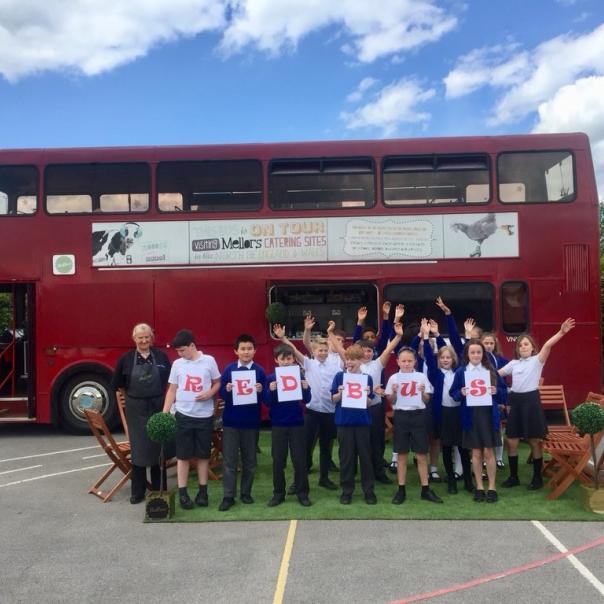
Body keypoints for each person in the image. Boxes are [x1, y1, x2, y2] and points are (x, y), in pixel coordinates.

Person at [498, 319, 576, 490]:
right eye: (520, 346)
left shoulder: (537, 360)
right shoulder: (513, 364)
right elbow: (496, 374)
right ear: (517, 350)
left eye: (526, 344)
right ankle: (513, 477)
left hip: (531, 402)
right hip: (515, 402)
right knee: (511, 441)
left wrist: (561, 332)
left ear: (532, 347)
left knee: (534, 441)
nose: (523, 347)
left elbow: (548, 345)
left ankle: (537, 478)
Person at [331, 320, 404, 485]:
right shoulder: (351, 365)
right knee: (355, 446)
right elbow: (340, 349)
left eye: (370, 351)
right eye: (364, 351)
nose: (366, 354)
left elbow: (389, 349)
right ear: (357, 353)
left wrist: (398, 336)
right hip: (354, 411)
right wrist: (330, 334)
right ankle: (353, 474)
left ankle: (378, 472)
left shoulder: (377, 365)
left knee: (376, 442)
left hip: (374, 407)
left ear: (373, 352)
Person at [112, 323, 172, 504]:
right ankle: (137, 492)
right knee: (138, 449)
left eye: (147, 337)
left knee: (157, 447)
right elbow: (118, 384)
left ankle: (159, 489)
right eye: (140, 337)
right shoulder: (125, 359)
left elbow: (170, 382)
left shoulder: (161, 357)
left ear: (151, 338)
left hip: (157, 405)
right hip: (136, 409)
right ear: (134, 339)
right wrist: (131, 398)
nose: (144, 340)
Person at [162, 329, 220, 510]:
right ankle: (183, 493)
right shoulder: (178, 364)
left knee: (203, 455)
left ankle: (203, 492)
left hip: (204, 415)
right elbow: (172, 389)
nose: (180, 354)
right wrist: (164, 413)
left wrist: (209, 393)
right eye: (178, 351)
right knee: (183, 455)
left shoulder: (209, 361)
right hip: (183, 415)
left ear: (192, 345)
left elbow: (217, 381)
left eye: (182, 350)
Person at [281, 316, 341, 490]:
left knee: (326, 448)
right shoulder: (308, 364)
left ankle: (324, 478)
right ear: (313, 352)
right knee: (304, 448)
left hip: (329, 412)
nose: (322, 353)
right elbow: (293, 350)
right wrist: (289, 336)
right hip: (311, 412)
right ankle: (298, 481)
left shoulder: (335, 365)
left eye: (324, 350)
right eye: (319, 350)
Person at [385, 346, 443, 505]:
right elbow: (391, 401)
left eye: (409, 361)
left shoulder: (421, 377)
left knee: (421, 454)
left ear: (415, 362)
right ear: (397, 361)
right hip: (401, 416)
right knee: (402, 454)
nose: (406, 364)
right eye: (403, 361)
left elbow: (426, 399)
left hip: (418, 416)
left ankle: (425, 489)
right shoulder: (394, 378)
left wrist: (424, 392)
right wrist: (394, 392)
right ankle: (401, 489)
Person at [449, 340, 505, 503]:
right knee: (476, 453)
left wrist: (496, 391)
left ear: (483, 354)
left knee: (489, 451)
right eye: (472, 352)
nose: (475, 355)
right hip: (471, 416)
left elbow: (503, 392)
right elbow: (453, 393)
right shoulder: (461, 372)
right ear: (467, 354)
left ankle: (492, 487)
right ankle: (479, 486)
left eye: (478, 352)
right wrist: (461, 392)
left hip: (488, 415)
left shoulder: (490, 370)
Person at [218, 334, 266, 511]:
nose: (246, 352)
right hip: (231, 422)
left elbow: (265, 397)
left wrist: (261, 390)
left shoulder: (259, 371)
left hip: (251, 422)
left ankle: (246, 493)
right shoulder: (229, 370)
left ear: (255, 350)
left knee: (250, 461)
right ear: (236, 351)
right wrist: (227, 389)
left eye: (249, 348)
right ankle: (228, 496)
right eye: (243, 349)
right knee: (230, 461)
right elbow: (221, 394)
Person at [264, 340, 312, 507]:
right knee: (278, 460)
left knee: (299, 460)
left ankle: (302, 493)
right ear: (276, 360)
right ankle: (278, 493)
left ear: (293, 360)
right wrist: (270, 390)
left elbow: (307, 400)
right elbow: (266, 402)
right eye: (282, 359)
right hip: (278, 425)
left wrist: (306, 388)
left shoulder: (299, 376)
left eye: (289, 359)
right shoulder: (271, 378)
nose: (286, 362)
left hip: (297, 423)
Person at [330, 343, 376, 504]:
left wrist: (367, 395)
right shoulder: (339, 376)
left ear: (361, 360)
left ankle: (368, 491)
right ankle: (346, 490)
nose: (349, 362)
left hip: (362, 423)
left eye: (353, 359)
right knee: (346, 458)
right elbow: (333, 399)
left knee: (365, 458)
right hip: (344, 423)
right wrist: (339, 393)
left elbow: (370, 403)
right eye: (348, 359)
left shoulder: (367, 378)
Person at [481, 332, 509, 468]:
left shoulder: (502, 360)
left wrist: (502, 401)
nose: (488, 346)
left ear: (495, 345)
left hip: (496, 401)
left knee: (498, 430)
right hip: (481, 402)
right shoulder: (478, 360)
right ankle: (485, 459)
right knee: (484, 431)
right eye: (486, 343)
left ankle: (498, 458)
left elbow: (504, 382)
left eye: (491, 343)